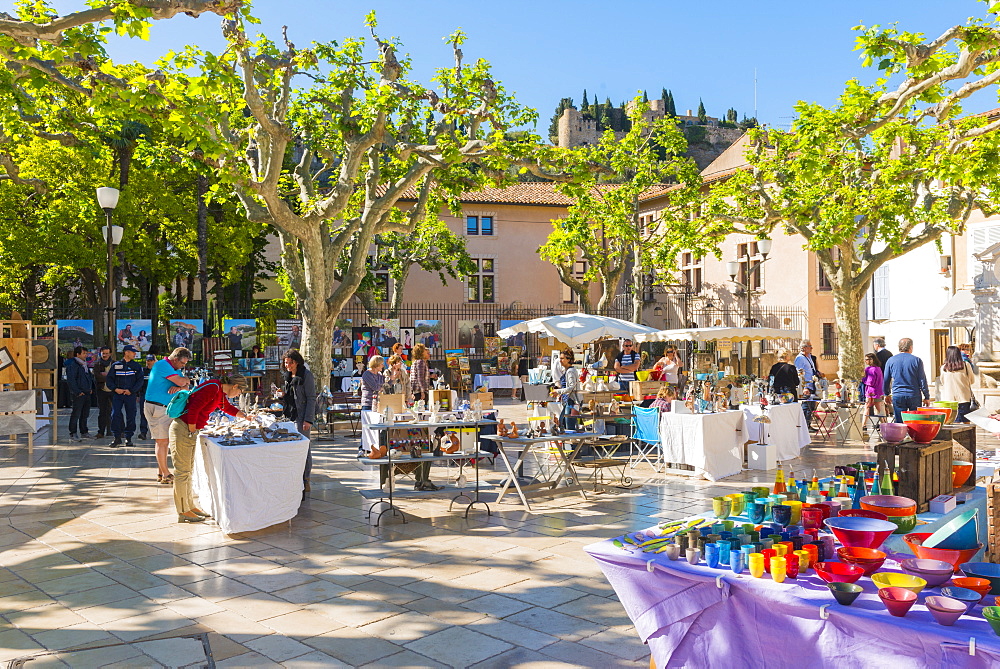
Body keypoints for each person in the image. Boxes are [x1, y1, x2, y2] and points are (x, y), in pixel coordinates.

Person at [170, 373, 248, 523]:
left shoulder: (219, 391)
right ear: (235, 386)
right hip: (183, 429)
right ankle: (183, 511)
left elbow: (227, 408)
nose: (238, 395)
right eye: (240, 392)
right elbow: (193, 409)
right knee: (182, 472)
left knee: (187, 471)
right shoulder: (213, 387)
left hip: (188, 429)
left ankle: (190, 506)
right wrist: (192, 431)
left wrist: (245, 417)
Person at [145, 347, 192, 484]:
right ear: (175, 359)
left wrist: (180, 386)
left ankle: (161, 472)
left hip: (164, 409)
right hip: (157, 407)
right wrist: (182, 383)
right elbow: (183, 381)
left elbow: (186, 385)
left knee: (163, 441)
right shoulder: (162, 365)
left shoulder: (174, 369)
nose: (184, 366)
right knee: (162, 441)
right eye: (183, 363)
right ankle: (166, 474)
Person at [282, 349, 317, 490]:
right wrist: (282, 394)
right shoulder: (287, 375)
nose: (288, 365)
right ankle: (295, 477)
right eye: (286, 363)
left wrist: (308, 419)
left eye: (291, 363)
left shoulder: (306, 375)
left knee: (304, 447)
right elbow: (290, 395)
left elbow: (311, 398)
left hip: (302, 416)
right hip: (290, 415)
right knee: (293, 448)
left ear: (297, 362)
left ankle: (306, 479)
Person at [106, 344, 145, 448]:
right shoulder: (116, 365)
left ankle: (129, 438)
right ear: (126, 352)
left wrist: (132, 391)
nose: (134, 354)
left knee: (131, 415)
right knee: (115, 415)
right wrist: (115, 389)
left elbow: (140, 381)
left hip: (130, 395)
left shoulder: (136, 366)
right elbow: (109, 379)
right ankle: (117, 437)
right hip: (117, 395)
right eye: (133, 352)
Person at [883, 337, 930, 422]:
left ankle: (901, 435)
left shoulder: (891, 360)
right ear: (911, 347)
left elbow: (886, 379)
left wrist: (886, 394)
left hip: (898, 394)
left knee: (900, 422)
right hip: (914, 394)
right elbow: (922, 379)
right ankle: (913, 435)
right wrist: (926, 396)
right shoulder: (916, 360)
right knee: (915, 421)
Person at [940, 345, 977, 423]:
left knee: (952, 420)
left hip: (949, 399)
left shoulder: (943, 368)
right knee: (966, 421)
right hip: (964, 397)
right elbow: (972, 380)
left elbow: (942, 382)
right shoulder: (966, 365)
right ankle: (968, 435)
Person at [66, 345, 94, 441]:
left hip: (86, 392)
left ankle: (84, 432)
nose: (86, 355)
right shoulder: (73, 364)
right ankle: (73, 433)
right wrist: (77, 392)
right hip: (79, 393)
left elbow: (89, 377)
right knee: (76, 413)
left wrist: (90, 388)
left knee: (85, 414)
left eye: (86, 353)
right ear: (78, 354)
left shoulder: (84, 364)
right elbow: (71, 380)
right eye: (84, 353)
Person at [552, 348, 581, 430]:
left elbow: (571, 387)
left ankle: (572, 442)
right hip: (568, 401)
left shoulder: (570, 371)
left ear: (568, 359)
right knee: (562, 423)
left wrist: (558, 391)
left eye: (562, 358)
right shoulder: (567, 370)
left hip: (572, 401)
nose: (560, 360)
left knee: (569, 426)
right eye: (560, 358)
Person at [794, 341, 821, 423]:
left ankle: (808, 424)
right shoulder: (800, 358)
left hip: (812, 384)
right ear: (804, 348)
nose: (811, 348)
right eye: (810, 346)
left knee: (811, 406)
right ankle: (805, 425)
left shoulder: (809, 357)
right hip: (806, 386)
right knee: (806, 406)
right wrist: (804, 387)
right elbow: (799, 373)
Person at [92, 346, 114, 439]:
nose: (105, 355)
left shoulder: (114, 364)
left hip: (113, 390)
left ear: (110, 354)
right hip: (101, 390)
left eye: (106, 353)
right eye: (103, 353)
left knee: (115, 411)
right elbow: (97, 377)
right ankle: (101, 431)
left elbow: (116, 377)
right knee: (102, 412)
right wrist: (109, 376)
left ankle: (118, 430)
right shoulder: (97, 364)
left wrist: (106, 376)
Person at [862, 352, 886, 423]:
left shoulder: (870, 369)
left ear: (871, 360)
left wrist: (863, 379)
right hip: (878, 391)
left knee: (867, 408)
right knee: (879, 410)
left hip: (871, 392)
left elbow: (870, 382)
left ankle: (864, 425)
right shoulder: (878, 368)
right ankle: (884, 424)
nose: (865, 361)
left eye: (867, 359)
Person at [136, 354, 156, 440]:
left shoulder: (158, 371)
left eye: (151, 360)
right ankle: (143, 432)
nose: (149, 362)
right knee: (143, 413)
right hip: (144, 395)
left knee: (155, 414)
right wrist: (137, 395)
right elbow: (139, 383)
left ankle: (155, 433)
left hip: (156, 396)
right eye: (148, 360)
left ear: (154, 361)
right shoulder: (142, 371)